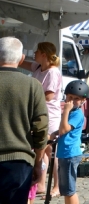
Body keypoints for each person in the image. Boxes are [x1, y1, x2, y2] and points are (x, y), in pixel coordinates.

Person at [0, 37, 48, 204]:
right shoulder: (32, 85)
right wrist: (38, 160)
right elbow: (41, 127)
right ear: (21, 59)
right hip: (19, 161)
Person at [21, 42, 63, 197]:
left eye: (37, 51)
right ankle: (41, 184)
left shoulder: (52, 72)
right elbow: (24, 63)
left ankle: (57, 186)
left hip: (50, 116)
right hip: (40, 113)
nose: (35, 53)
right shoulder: (39, 68)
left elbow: (49, 95)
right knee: (43, 149)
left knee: (51, 150)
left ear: (44, 54)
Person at [51, 80, 89, 204]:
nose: (72, 101)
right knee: (65, 190)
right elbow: (63, 130)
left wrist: (66, 111)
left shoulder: (77, 114)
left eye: (76, 98)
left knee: (69, 190)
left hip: (70, 154)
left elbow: (64, 129)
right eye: (70, 97)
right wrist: (55, 133)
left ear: (83, 100)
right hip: (65, 153)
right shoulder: (72, 112)